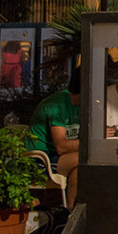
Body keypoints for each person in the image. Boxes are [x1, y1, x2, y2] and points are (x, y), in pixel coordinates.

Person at [27, 70, 80, 208]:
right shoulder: (58, 104)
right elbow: (61, 146)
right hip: (40, 158)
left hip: (60, 156)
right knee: (87, 158)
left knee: (80, 169)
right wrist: (91, 142)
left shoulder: (83, 105)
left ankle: (69, 212)